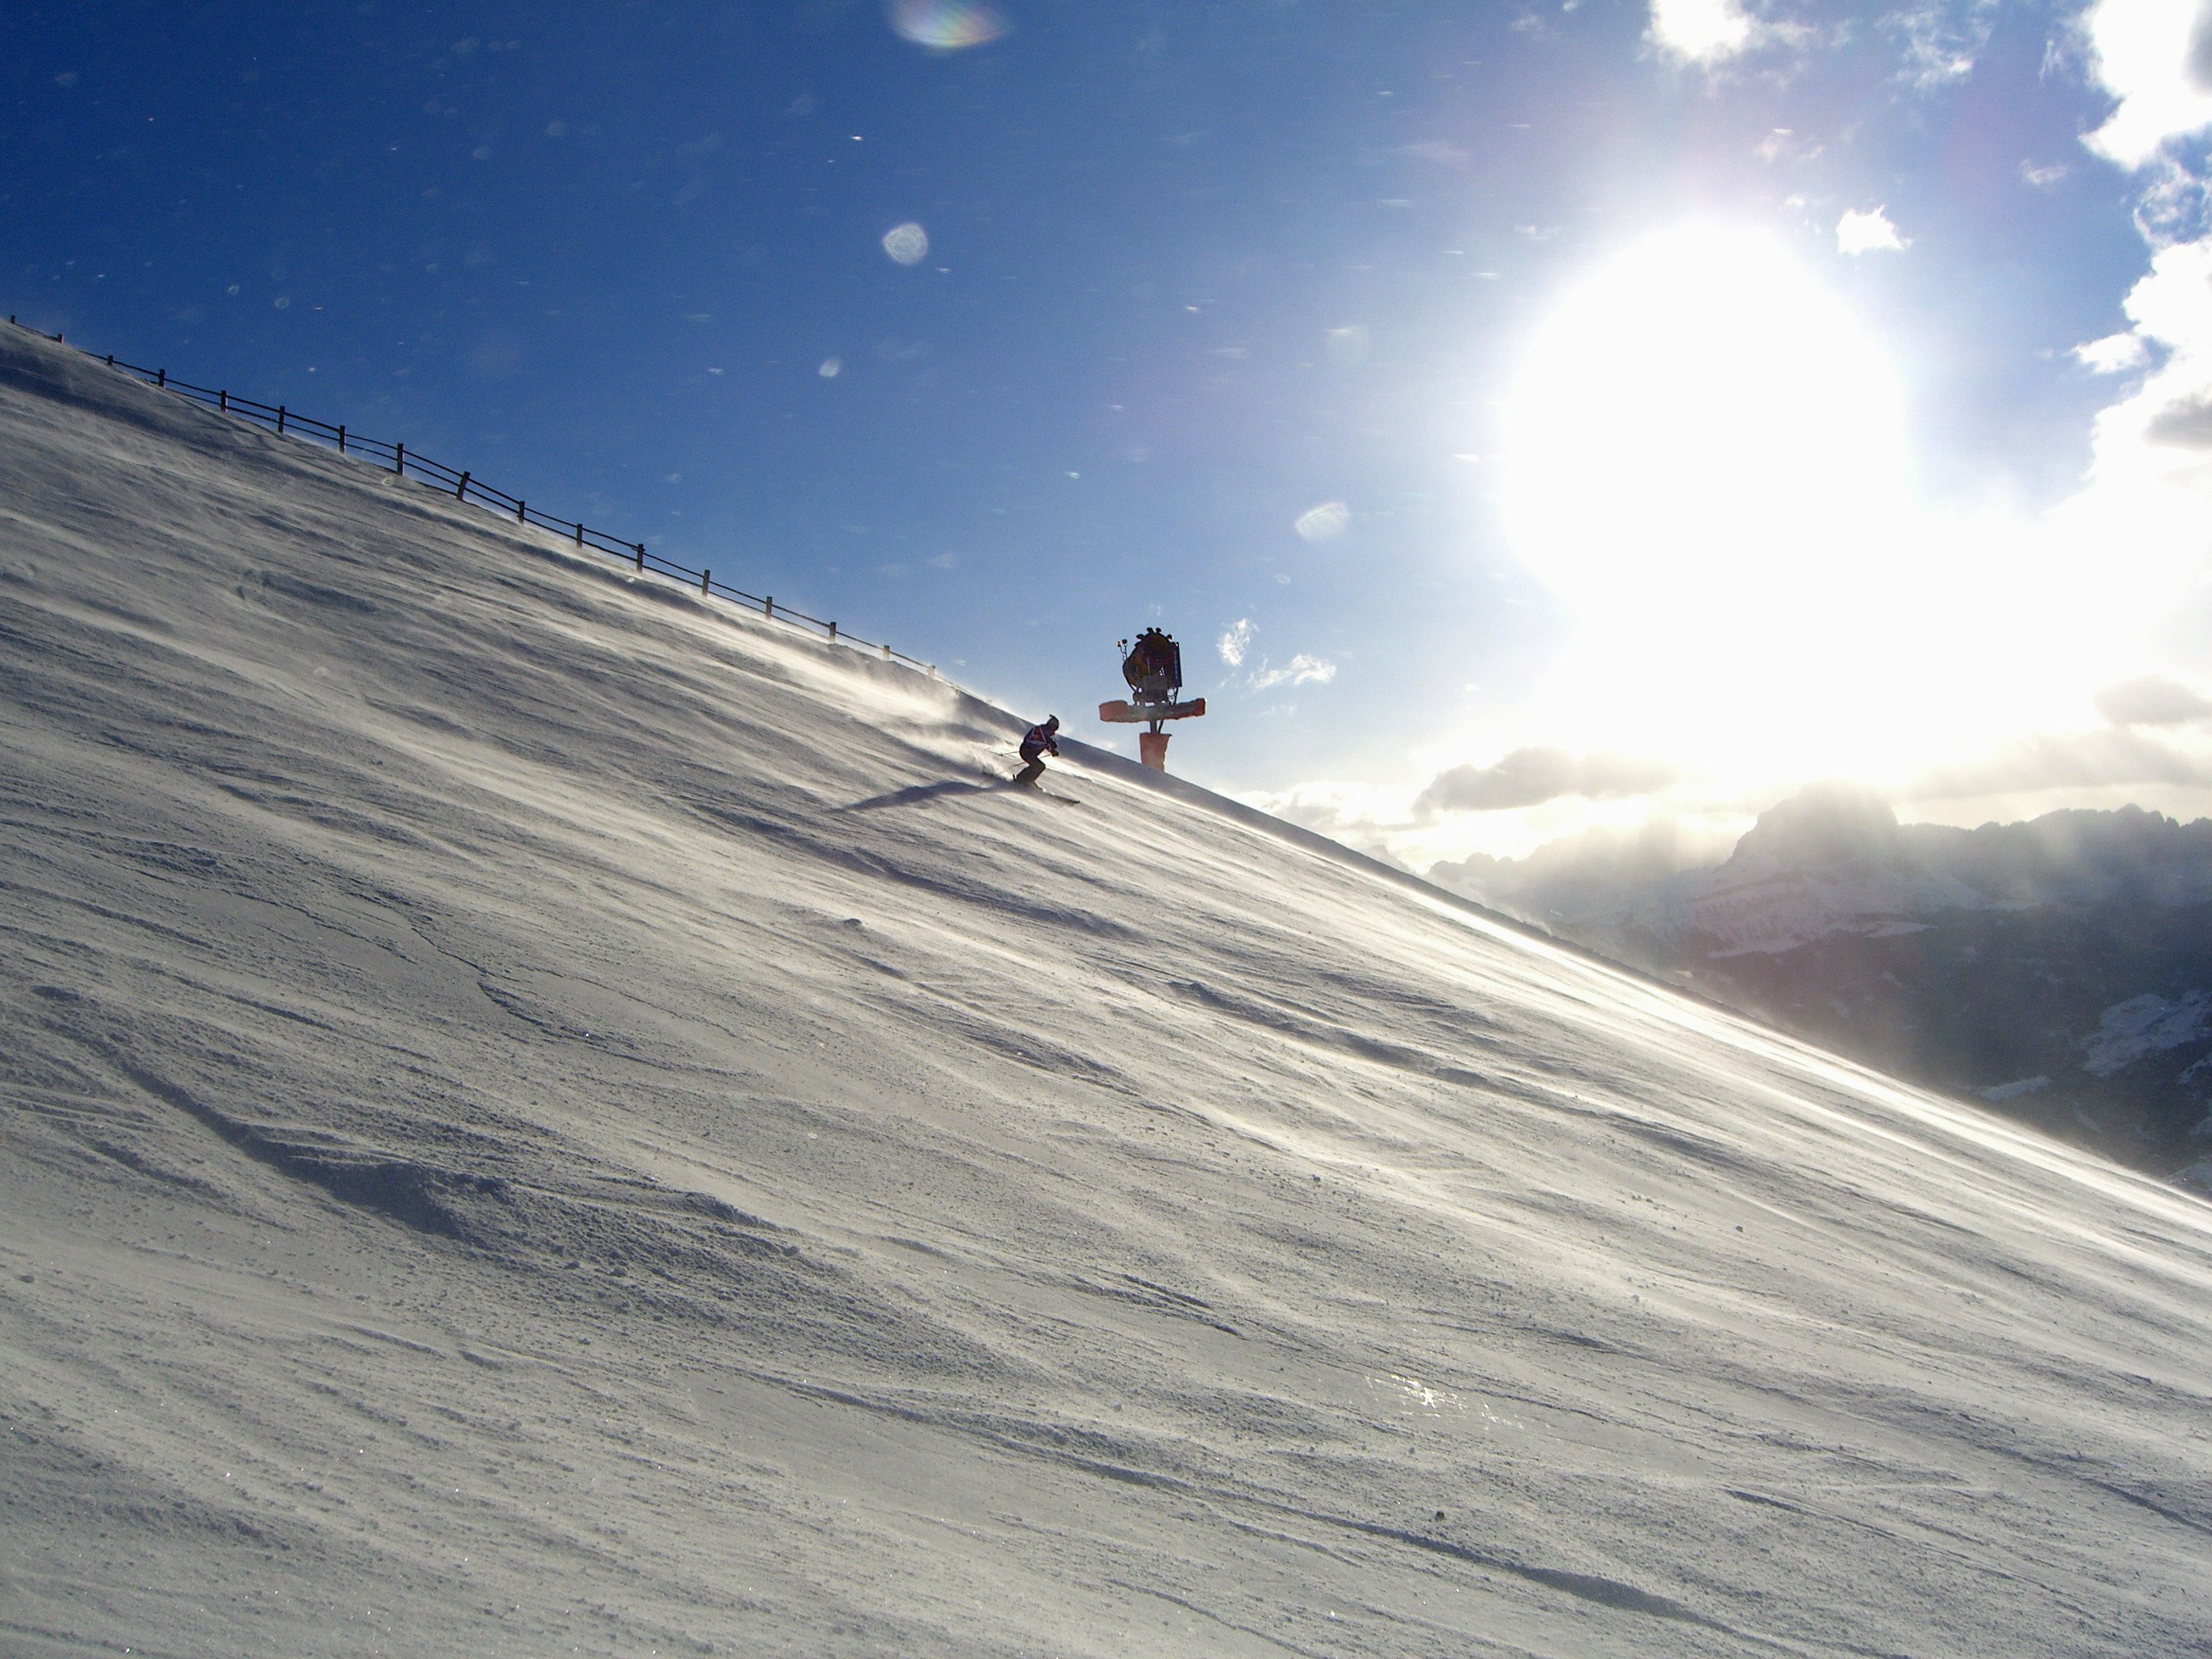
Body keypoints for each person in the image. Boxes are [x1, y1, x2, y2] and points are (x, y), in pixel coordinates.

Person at [1015, 714, 1060, 786]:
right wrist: (1051, 744)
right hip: (1026, 750)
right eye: (1054, 728)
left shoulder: (1045, 733)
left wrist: (1052, 751)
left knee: (1038, 766)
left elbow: (1045, 743)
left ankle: (1027, 779)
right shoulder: (1040, 730)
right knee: (1039, 766)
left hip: (1030, 752)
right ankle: (1023, 779)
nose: (1054, 731)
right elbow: (1044, 740)